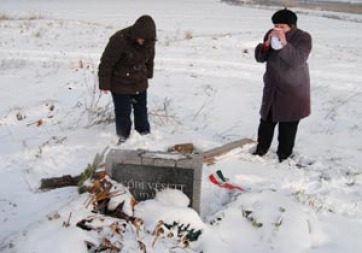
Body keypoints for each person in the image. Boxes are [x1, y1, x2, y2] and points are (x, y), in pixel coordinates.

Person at [253, 9, 312, 162]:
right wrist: (265, 45)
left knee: (288, 125)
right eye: (276, 25)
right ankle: (260, 150)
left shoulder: (303, 37)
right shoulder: (271, 33)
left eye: (282, 26)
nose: (278, 29)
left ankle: (284, 156)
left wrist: (284, 44)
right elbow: (261, 58)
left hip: (293, 88)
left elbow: (298, 60)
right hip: (273, 86)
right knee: (266, 121)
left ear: (292, 26)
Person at [98, 15, 156, 144]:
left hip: (139, 81)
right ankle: (123, 137)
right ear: (136, 33)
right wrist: (104, 83)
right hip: (120, 83)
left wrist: (148, 74)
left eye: (146, 40)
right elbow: (107, 62)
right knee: (123, 112)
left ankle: (144, 135)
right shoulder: (119, 40)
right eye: (141, 39)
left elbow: (150, 59)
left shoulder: (149, 42)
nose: (143, 42)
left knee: (141, 110)